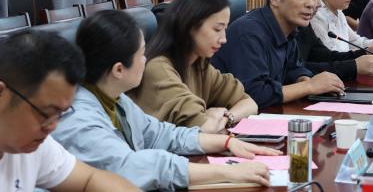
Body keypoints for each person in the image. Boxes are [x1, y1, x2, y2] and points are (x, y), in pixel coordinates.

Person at [53, 10, 279, 190]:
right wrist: (227, 172)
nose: (146, 60)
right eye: (141, 54)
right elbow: (132, 167)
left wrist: (226, 143)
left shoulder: (115, 99)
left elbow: (160, 134)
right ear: (119, 70)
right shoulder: (80, 120)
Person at [0, 31, 138, 192]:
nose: (52, 127)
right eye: (46, 113)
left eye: (60, 114)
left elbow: (90, 179)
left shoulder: (31, 145)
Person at [212, 0, 346, 109]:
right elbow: (253, 95)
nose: (311, 4)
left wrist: (304, 79)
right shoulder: (249, 33)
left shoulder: (289, 29)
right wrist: (309, 86)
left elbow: (294, 68)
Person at [131, 0, 257, 133]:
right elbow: (205, 129)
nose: (224, 39)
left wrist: (226, 117)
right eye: (217, 29)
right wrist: (209, 117)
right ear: (190, 26)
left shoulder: (198, 64)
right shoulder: (158, 69)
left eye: (225, 28)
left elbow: (250, 104)